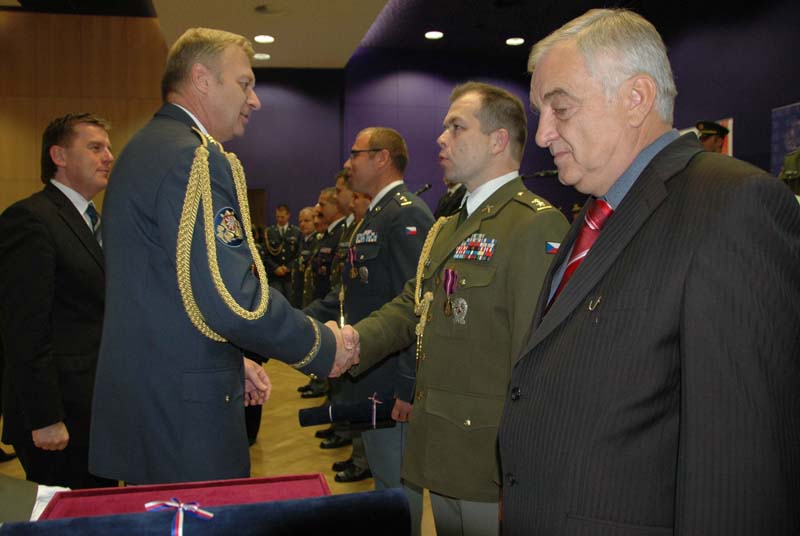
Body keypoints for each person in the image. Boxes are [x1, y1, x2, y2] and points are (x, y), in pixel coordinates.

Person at [495, 9, 800, 534]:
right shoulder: (595, 213)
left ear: (636, 98)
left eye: (560, 108)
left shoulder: (732, 205)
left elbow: (742, 468)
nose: (542, 134)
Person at [88, 27, 356, 485]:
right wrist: (322, 346)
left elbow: (170, 292)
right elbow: (234, 298)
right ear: (201, 79)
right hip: (185, 418)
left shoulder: (146, 148)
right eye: (245, 83)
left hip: (155, 398)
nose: (255, 100)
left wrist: (231, 363)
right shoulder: (195, 158)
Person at [342, 83, 569, 536]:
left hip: (489, 457)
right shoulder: (447, 226)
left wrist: (524, 463)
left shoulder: (534, 223)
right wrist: (350, 342)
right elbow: (413, 306)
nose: (441, 138)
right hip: (442, 442)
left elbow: (538, 361)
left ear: (498, 140)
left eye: (456, 127)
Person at [308, 126, 434, 532]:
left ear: (382, 158)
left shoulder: (406, 213)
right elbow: (349, 295)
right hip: (371, 376)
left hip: (391, 383)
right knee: (384, 487)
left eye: (355, 154)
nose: (348, 163)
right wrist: (295, 322)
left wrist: (408, 385)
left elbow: (417, 307)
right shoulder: (375, 216)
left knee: (398, 492)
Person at [0, 113, 115, 489]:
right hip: (58, 418)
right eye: (95, 147)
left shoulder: (95, 221)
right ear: (59, 156)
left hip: (95, 410)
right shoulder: (31, 220)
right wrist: (45, 416)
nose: (108, 157)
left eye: (108, 148)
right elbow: (25, 328)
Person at [264, 204, 302, 301]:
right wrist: (275, 267)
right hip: (274, 275)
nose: (280, 219)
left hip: (290, 275)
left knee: (291, 301)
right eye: (277, 217)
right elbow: (265, 255)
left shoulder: (296, 231)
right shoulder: (269, 232)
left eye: (282, 217)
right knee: (277, 302)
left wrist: (288, 267)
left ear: (288, 215)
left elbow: (299, 254)